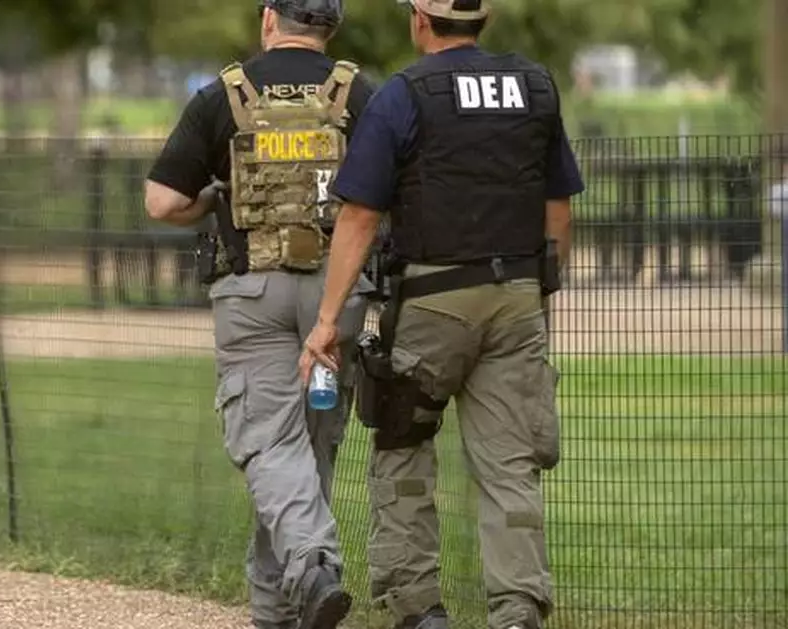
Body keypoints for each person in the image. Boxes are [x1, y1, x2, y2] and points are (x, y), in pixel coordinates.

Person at [297, 1, 585, 628]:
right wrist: (539, 293)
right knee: (509, 466)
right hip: (516, 297)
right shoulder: (534, 86)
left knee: (403, 446)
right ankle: (517, 613)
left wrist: (325, 320)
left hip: (430, 301)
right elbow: (557, 204)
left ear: (420, 20)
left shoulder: (405, 93)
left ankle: (419, 611)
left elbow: (360, 214)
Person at [144, 1, 378, 627]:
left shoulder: (225, 94)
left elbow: (162, 201)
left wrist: (214, 197)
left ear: (270, 18)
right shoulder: (360, 94)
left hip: (253, 299)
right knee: (310, 451)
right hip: (340, 296)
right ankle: (279, 610)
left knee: (273, 446)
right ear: (331, 25)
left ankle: (311, 562)